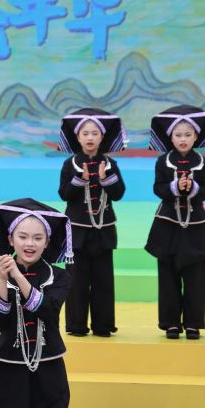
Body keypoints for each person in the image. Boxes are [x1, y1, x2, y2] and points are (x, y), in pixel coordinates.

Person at [0, 198, 73, 408]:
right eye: (22, 237)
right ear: (10, 240)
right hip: (7, 372)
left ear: (47, 242)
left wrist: (17, 276)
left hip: (48, 372)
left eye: (37, 238)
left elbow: (48, 311)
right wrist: (2, 279)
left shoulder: (59, 276)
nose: (30, 244)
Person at [145, 105, 205, 340]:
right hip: (167, 225)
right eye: (178, 135)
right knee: (167, 275)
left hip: (196, 226)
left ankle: (194, 323)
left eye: (188, 135)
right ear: (171, 137)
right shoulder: (162, 162)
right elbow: (158, 188)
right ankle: (171, 323)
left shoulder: (203, 162)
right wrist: (175, 187)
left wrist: (194, 188)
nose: (183, 139)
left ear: (196, 137)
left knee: (196, 276)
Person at [57, 108, 127, 337]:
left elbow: (119, 194)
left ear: (102, 137)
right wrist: (81, 179)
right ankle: (76, 325)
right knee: (76, 281)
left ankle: (103, 325)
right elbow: (64, 194)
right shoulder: (70, 164)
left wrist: (105, 178)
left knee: (103, 281)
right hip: (77, 232)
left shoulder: (110, 164)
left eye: (95, 133)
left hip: (103, 231)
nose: (90, 138)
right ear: (77, 137)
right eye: (85, 133)